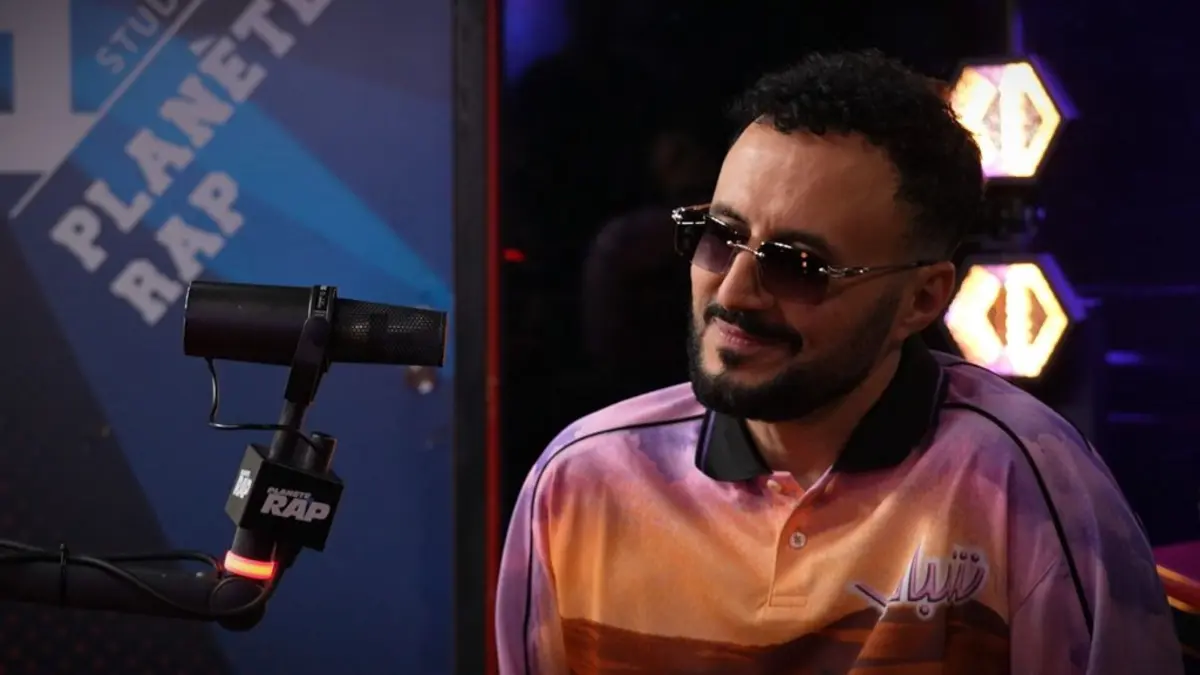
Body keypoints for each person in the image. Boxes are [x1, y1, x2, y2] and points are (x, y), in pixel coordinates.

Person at [496, 51, 1181, 674]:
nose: (733, 292)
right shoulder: (581, 482)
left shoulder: (1025, 481)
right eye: (720, 236)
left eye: (798, 265)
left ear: (922, 299)